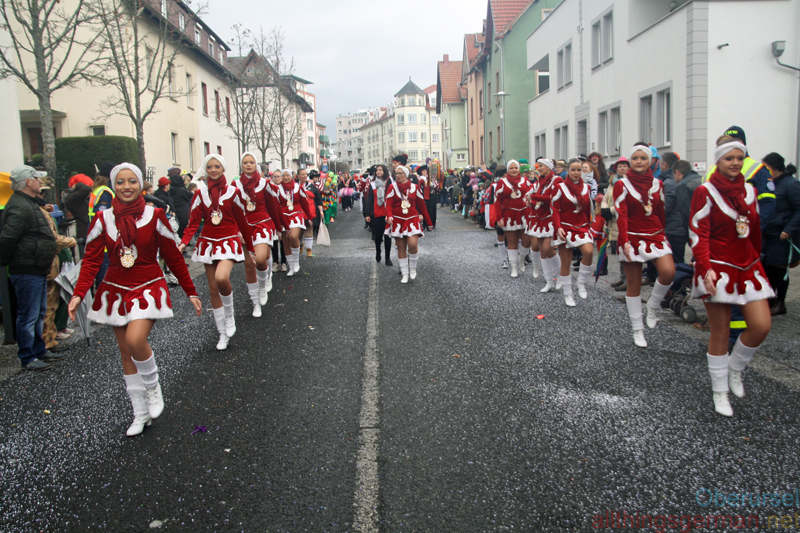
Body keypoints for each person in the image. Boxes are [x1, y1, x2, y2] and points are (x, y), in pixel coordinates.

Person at [69, 163, 202, 435]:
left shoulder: (154, 215)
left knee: (135, 340)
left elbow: (173, 256)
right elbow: (91, 260)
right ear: (113, 185)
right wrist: (78, 294)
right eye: (120, 182)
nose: (126, 186)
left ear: (140, 184)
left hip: (148, 286)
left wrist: (190, 290)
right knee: (125, 352)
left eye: (132, 181)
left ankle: (153, 387)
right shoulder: (103, 219)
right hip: (116, 289)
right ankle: (139, 413)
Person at [689, 139, 773, 417]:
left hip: (748, 265)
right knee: (721, 332)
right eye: (729, 158)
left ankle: (735, 368)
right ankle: (719, 391)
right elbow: (698, 233)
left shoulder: (750, 190)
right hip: (716, 265)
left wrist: (758, 259)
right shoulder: (705, 191)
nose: (735, 163)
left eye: (740, 158)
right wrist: (705, 268)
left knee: (761, 325)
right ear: (718, 161)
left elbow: (754, 230)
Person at [178, 154, 254, 350]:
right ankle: (221, 333)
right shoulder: (200, 195)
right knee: (213, 289)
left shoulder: (233, 192)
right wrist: (184, 242)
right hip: (208, 244)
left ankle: (230, 315)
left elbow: (242, 220)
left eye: (217, 166)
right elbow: (193, 222)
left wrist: (251, 247)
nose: (213, 170)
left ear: (223, 169)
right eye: (210, 166)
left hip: (229, 241)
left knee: (222, 278)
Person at [0, 166, 61, 370]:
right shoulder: (20, 206)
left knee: (37, 312)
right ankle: (28, 356)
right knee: (29, 314)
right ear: (27, 182)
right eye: (36, 178)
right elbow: (8, 238)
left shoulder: (26, 203)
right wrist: (8, 261)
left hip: (34, 267)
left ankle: (38, 349)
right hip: (26, 268)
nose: (39, 182)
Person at [614, 144, 675, 348]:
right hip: (631, 236)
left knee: (668, 272)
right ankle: (637, 329)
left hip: (655, 234)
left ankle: (653, 304)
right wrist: (624, 241)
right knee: (634, 284)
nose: (639, 161)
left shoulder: (658, 183)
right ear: (630, 161)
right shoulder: (621, 185)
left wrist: (663, 232)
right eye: (635, 158)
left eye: (643, 158)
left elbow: (660, 210)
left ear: (650, 161)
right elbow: (621, 215)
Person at [234, 153, 285, 317]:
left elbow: (273, 205)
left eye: (251, 162)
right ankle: (255, 302)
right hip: (244, 226)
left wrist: (278, 227)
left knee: (261, 258)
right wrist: (236, 230)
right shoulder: (235, 185)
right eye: (245, 162)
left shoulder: (264, 183)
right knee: (249, 266)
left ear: (256, 165)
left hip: (263, 223)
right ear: (241, 165)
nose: (248, 165)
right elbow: (231, 210)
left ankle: (264, 282)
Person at [760, 152, 800, 316]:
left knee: (779, 270)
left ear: (774, 168)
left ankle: (780, 302)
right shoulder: (769, 183)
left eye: (765, 167)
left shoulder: (792, 185)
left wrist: (788, 230)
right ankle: (768, 299)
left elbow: (799, 211)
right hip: (768, 234)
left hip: (782, 236)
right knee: (767, 268)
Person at [552, 159, 595, 306]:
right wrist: (558, 227)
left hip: (582, 226)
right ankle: (568, 294)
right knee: (566, 262)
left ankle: (581, 283)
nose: (576, 173)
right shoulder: (560, 187)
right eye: (573, 170)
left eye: (579, 170)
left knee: (588, 252)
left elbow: (589, 209)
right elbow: (555, 209)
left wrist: (590, 226)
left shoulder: (587, 188)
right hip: (565, 227)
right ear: (568, 171)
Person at [385, 165, 432, 283]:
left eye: (400, 173)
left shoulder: (414, 187)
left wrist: (429, 221)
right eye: (396, 173)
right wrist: (389, 216)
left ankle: (413, 268)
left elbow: (422, 205)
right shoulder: (392, 187)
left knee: (412, 244)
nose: (398, 175)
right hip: (397, 220)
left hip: (412, 218)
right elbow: (389, 203)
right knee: (401, 247)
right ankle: (404, 273)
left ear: (406, 175)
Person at [526, 158, 562, 290]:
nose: (538, 168)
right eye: (538, 166)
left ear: (548, 167)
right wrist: (532, 203)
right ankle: (549, 281)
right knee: (542, 251)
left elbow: (552, 198)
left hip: (551, 217)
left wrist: (534, 197)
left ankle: (560, 276)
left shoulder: (557, 180)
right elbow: (539, 200)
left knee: (548, 248)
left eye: (541, 166)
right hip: (539, 217)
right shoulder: (539, 182)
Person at [271, 168, 314, 276]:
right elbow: (275, 206)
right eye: (283, 175)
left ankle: (296, 262)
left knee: (293, 236)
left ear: (291, 176)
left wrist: (309, 217)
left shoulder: (297, 187)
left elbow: (304, 203)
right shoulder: (277, 189)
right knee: (285, 242)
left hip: (296, 214)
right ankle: (290, 266)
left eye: (287, 175)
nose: (285, 177)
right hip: (283, 216)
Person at [493, 160, 532, 278]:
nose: (514, 170)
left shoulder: (525, 181)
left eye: (516, 168)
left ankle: (522, 258)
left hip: (525, 214)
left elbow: (532, 194)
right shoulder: (502, 182)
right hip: (509, 215)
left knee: (527, 240)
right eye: (511, 168)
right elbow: (497, 201)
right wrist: (499, 218)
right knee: (512, 242)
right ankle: (514, 267)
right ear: (507, 170)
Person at [602, 157, 629, 290]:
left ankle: (629, 281)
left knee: (627, 250)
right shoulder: (612, 182)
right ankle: (622, 278)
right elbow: (606, 198)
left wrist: (610, 210)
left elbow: (625, 203)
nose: (622, 168)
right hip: (613, 220)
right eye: (620, 166)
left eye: (624, 166)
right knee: (620, 250)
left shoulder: (630, 183)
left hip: (623, 219)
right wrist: (604, 208)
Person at [673, 160, 702, 262]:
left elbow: (685, 213)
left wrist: (688, 237)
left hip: (696, 228)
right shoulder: (702, 179)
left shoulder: (682, 185)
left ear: (677, 172)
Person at [364, 164, 393, 266]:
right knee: (378, 237)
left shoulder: (390, 183)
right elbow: (369, 200)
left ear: (384, 171)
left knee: (388, 236)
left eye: (380, 170)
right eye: (377, 170)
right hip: (376, 213)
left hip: (387, 214)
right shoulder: (372, 184)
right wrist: (367, 213)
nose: (378, 172)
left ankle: (388, 258)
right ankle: (378, 251)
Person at [659, 152, 686, 264]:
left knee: (675, 260)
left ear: (665, 165)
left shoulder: (669, 183)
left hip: (674, 228)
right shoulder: (676, 179)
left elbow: (666, 208)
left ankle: (677, 280)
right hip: (679, 226)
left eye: (660, 164)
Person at [63, 174, 93, 257]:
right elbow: (87, 189)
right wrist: (77, 184)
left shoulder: (80, 198)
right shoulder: (72, 198)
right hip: (83, 232)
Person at [168, 167, 192, 238]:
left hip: (174, 210)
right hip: (183, 211)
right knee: (183, 228)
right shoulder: (182, 190)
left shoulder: (170, 190)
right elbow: (189, 196)